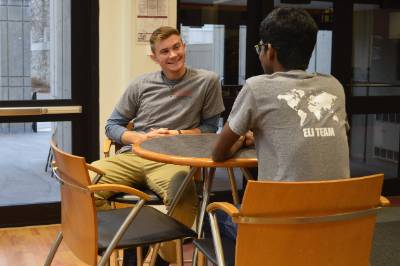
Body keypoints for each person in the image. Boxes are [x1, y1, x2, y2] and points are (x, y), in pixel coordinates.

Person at [209, 7, 350, 242]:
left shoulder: (257, 87)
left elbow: (218, 153)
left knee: (212, 219)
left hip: (278, 232)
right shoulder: (334, 86)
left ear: (270, 50)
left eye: (259, 48)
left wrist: (243, 138)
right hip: (334, 231)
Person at [91, 26, 224, 265]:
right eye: (165, 51)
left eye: (176, 47)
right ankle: (130, 242)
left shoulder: (207, 81)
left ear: (183, 46)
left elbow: (211, 127)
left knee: (184, 196)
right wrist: (140, 138)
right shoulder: (140, 84)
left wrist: (178, 134)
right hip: (134, 155)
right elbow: (112, 126)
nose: (173, 55)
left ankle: (159, 258)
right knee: (85, 182)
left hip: (174, 160)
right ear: (155, 57)